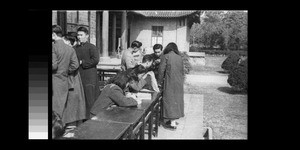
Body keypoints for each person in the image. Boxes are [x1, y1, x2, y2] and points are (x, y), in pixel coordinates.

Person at [52, 25, 79, 126]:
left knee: (53, 108)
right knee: (61, 106)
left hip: (54, 80)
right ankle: (59, 129)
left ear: (54, 34)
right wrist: (65, 71)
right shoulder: (70, 49)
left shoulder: (53, 47)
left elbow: (53, 66)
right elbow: (75, 65)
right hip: (64, 81)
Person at [61, 33, 86, 133]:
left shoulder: (71, 50)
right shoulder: (68, 50)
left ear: (68, 42)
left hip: (72, 79)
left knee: (72, 101)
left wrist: (64, 71)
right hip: (71, 78)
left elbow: (75, 65)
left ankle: (72, 125)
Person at [74, 27, 100, 119]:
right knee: (81, 97)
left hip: (89, 76)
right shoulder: (75, 48)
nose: (79, 37)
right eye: (78, 35)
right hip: (79, 75)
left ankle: (91, 117)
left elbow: (95, 60)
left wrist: (82, 62)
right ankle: (82, 117)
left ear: (87, 36)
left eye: (81, 35)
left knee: (90, 97)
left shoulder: (92, 47)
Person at [158, 42, 184, 130]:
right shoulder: (179, 57)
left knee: (169, 100)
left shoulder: (166, 56)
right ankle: (172, 120)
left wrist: (159, 82)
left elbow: (161, 71)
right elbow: (182, 71)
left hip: (169, 82)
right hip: (179, 82)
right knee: (176, 100)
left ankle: (172, 123)